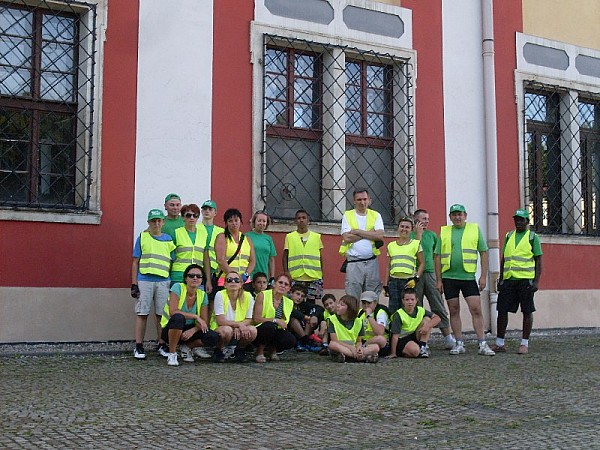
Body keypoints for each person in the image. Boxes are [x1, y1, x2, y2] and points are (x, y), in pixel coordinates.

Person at [434, 204, 495, 356]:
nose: (457, 217)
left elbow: (484, 252)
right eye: (454, 214)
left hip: (468, 277)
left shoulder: (474, 229)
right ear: (450, 217)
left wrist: (483, 276)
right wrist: (439, 280)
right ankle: (459, 343)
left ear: (465, 215)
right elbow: (437, 256)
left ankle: (482, 343)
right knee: (453, 310)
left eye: (460, 214)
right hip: (449, 277)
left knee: (476, 309)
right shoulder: (444, 231)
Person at [492, 209, 543, 355]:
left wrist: (536, 281)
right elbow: (504, 258)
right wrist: (501, 278)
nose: (518, 222)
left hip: (525, 280)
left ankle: (524, 343)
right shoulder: (509, 236)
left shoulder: (532, 237)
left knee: (527, 310)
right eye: (516, 219)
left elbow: (538, 260)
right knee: (502, 310)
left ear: (527, 222)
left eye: (521, 220)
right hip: (509, 279)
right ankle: (500, 343)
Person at [131, 209, 176, 360]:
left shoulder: (169, 239)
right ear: (148, 222)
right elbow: (135, 262)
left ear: (163, 222)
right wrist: (134, 283)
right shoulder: (142, 237)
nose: (156, 223)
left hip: (163, 280)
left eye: (159, 220)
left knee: (161, 315)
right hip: (145, 280)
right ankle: (139, 346)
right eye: (153, 221)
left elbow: (172, 261)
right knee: (142, 313)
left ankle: (161, 344)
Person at [412, 209, 455, 350]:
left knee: (438, 305)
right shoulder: (410, 235)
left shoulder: (432, 235)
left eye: (428, 219)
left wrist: (439, 279)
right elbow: (413, 250)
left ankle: (448, 337)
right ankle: (419, 339)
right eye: (423, 219)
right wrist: (418, 235)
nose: (427, 221)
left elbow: (437, 257)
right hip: (415, 275)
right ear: (416, 220)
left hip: (430, 273)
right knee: (416, 307)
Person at [160, 264, 219, 366]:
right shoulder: (178, 287)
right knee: (178, 318)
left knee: (213, 337)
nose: (195, 278)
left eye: (198, 276)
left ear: (202, 280)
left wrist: (193, 330)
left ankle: (187, 347)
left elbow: (204, 321)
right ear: (185, 278)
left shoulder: (202, 294)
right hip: (171, 328)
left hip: (190, 329)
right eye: (191, 276)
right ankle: (172, 353)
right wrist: (195, 316)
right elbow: (173, 311)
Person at [339, 189, 385, 299]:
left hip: (371, 262)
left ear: (369, 200)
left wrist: (358, 231)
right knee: (352, 297)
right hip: (354, 262)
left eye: (365, 199)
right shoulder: (348, 215)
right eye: (359, 199)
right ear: (354, 201)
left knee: (371, 297)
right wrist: (370, 233)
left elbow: (379, 236)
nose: (362, 202)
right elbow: (347, 238)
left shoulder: (376, 215)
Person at [210, 271, 257, 363]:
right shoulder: (220, 294)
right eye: (229, 280)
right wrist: (238, 325)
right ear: (224, 284)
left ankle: (239, 350)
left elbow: (249, 319)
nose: (233, 282)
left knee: (253, 330)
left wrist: (239, 326)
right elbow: (220, 320)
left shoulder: (248, 296)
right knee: (227, 330)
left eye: (236, 280)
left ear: (241, 284)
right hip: (221, 328)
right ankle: (218, 350)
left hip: (240, 330)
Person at [207, 208, 256, 294]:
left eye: (236, 220)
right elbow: (220, 260)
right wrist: (234, 277)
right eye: (230, 221)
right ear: (226, 223)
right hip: (226, 280)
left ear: (240, 221)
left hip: (244, 281)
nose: (234, 223)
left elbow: (252, 261)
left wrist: (246, 274)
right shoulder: (222, 237)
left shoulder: (247, 239)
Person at [252, 273, 297, 363]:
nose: (282, 285)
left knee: (290, 340)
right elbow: (256, 318)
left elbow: (284, 322)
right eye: (280, 282)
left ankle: (272, 350)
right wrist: (275, 320)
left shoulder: (289, 302)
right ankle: (260, 351)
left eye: (286, 284)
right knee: (269, 326)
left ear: (289, 288)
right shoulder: (262, 295)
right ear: (274, 284)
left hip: (276, 330)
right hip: (259, 330)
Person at [283, 209, 324, 303]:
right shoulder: (290, 237)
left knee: (311, 303)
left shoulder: (316, 237)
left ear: (308, 220)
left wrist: (321, 273)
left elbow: (320, 256)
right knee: (294, 302)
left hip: (313, 275)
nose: (301, 220)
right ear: (295, 221)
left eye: (304, 218)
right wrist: (286, 272)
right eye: (298, 218)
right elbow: (285, 256)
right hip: (296, 275)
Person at [386, 288, 441, 358]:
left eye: (412, 299)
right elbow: (395, 336)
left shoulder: (420, 310)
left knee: (427, 319)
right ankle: (407, 351)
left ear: (416, 300)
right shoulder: (399, 314)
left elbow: (437, 318)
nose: (410, 302)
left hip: (414, 335)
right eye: (407, 300)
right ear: (403, 301)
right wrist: (393, 353)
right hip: (401, 339)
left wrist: (427, 326)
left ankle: (422, 347)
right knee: (415, 351)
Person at [386, 217, 424, 314]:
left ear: (412, 230)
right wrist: (386, 284)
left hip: (408, 282)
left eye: (407, 227)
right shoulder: (391, 245)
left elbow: (422, 263)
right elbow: (388, 266)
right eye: (402, 226)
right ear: (398, 228)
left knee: (408, 309)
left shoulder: (416, 244)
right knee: (393, 309)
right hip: (393, 281)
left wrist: (416, 278)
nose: (404, 229)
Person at [328, 295, 380, 363]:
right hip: (341, 346)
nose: (338, 306)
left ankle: (351, 356)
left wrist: (359, 347)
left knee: (376, 347)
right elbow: (335, 340)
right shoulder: (332, 319)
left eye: (342, 305)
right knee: (332, 344)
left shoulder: (358, 321)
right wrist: (351, 348)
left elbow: (359, 341)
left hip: (353, 347)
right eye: (338, 303)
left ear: (350, 309)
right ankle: (362, 357)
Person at [171, 204, 208, 285]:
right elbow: (170, 256)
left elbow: (206, 259)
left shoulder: (204, 234)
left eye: (195, 215)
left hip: (197, 276)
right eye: (188, 215)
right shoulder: (176, 233)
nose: (192, 218)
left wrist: (208, 280)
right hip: (179, 275)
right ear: (183, 217)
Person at [288, 285, 324, 352]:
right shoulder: (286, 302)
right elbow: (291, 311)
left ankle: (303, 342)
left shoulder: (304, 304)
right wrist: (304, 317)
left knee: (311, 318)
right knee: (293, 319)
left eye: (302, 296)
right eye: (297, 294)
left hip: (304, 331)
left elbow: (320, 308)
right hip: (290, 332)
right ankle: (306, 341)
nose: (299, 298)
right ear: (291, 293)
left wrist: (314, 316)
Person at [200, 200, 224, 295]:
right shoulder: (196, 228)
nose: (207, 211)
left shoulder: (221, 232)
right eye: (205, 209)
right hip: (199, 269)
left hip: (216, 271)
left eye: (210, 209)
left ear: (215, 212)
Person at [246, 211, 276, 282]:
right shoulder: (246, 236)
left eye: (264, 221)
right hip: (249, 276)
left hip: (263, 277)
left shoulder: (269, 239)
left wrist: (272, 277)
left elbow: (271, 259)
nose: (261, 223)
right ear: (254, 222)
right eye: (259, 220)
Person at [357, 291, 389, 356]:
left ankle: (361, 350)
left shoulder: (381, 312)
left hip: (379, 343)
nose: (366, 305)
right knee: (375, 348)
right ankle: (362, 354)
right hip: (362, 341)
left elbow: (380, 332)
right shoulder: (360, 312)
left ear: (375, 303)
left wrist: (369, 316)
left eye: (369, 303)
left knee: (380, 339)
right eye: (364, 303)